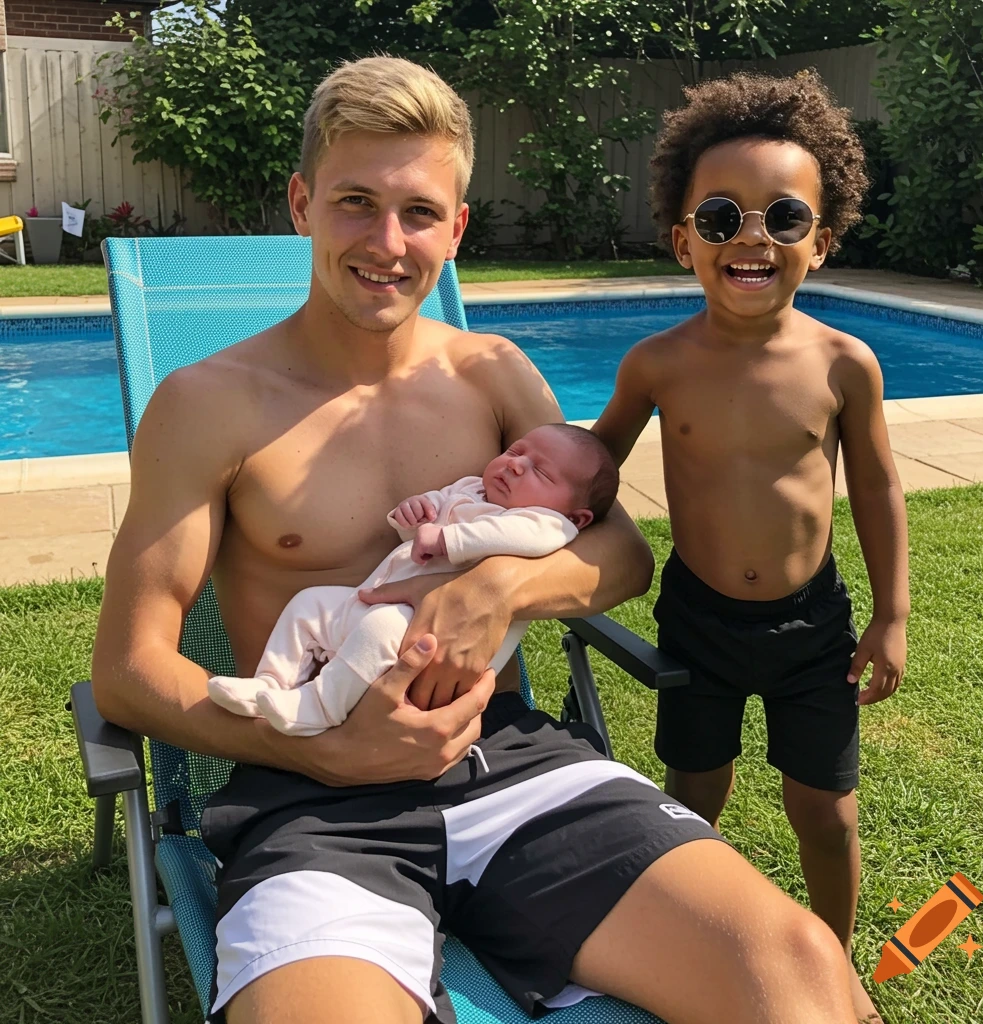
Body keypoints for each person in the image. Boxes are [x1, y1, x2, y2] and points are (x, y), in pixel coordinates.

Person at [92, 56, 861, 1024]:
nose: (387, 241)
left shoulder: (491, 371)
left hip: (510, 762)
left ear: (456, 228)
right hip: (311, 792)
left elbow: (620, 554)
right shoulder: (207, 404)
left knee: (793, 968)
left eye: (418, 212)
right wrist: (329, 756)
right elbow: (126, 669)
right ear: (301, 203)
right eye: (354, 203)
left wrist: (501, 590)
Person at [592, 70, 910, 1024]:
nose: (751, 238)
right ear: (683, 236)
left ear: (823, 237)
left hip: (814, 625)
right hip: (699, 617)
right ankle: (694, 944)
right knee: (693, 798)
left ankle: (837, 963)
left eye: (782, 217)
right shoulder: (657, 363)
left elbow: (880, 489)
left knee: (826, 808)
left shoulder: (844, 364)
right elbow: (594, 464)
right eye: (723, 215)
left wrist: (891, 614)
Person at [206, 423, 619, 735]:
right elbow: (423, 531)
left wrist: (449, 537)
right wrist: (416, 512)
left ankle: (318, 706)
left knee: (381, 628)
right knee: (308, 603)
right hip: (373, 602)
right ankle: (270, 685)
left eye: (540, 473)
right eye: (515, 451)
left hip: (428, 642)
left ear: (576, 516)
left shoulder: (548, 524)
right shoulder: (472, 490)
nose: (515, 463)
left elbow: (518, 536)